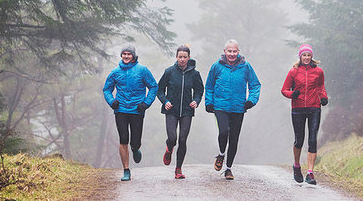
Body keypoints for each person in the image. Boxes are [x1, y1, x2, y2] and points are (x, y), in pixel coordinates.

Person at [205, 39, 261, 180]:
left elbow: (255, 85)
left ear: (238, 52)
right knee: (224, 131)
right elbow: (209, 86)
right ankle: (221, 154)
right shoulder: (216, 66)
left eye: (234, 51)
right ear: (224, 52)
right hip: (220, 106)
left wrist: (251, 101)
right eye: (229, 51)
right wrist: (209, 102)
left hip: (238, 107)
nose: (231, 54)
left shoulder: (245, 66)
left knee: (234, 139)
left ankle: (228, 168)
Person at [103, 45, 158, 181]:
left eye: (129, 54)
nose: (126, 56)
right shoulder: (115, 72)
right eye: (124, 54)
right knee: (123, 139)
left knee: (135, 141)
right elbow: (106, 89)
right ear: (121, 56)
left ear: (133, 56)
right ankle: (126, 170)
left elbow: (153, 86)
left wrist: (145, 103)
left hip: (137, 109)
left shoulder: (142, 70)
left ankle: (135, 148)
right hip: (120, 109)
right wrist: (112, 101)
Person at [281, 44, 328, 185]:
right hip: (298, 109)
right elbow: (284, 90)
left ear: (311, 56)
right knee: (299, 140)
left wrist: (324, 97)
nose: (306, 57)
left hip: (314, 108)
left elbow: (321, 87)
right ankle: (296, 166)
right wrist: (292, 94)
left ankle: (310, 173)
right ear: (300, 57)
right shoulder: (293, 72)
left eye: (309, 55)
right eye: (304, 55)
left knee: (312, 140)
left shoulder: (319, 71)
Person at [157, 45, 204, 179]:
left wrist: (196, 100)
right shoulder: (169, 72)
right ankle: (169, 147)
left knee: (183, 140)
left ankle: (178, 168)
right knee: (173, 138)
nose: (182, 59)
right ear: (176, 57)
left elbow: (199, 90)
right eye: (180, 57)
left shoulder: (195, 74)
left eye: (185, 57)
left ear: (189, 58)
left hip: (187, 111)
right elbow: (159, 90)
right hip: (171, 109)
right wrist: (165, 101)